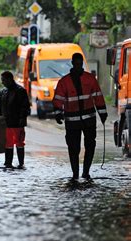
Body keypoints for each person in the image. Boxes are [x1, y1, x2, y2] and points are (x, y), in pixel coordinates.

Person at [53, 53, 107, 181]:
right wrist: (58, 113)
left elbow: (98, 96)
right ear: (72, 63)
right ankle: (75, 173)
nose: (78, 66)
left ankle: (85, 172)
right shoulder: (64, 82)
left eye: (80, 63)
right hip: (72, 121)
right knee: (73, 148)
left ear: (82, 63)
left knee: (90, 146)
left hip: (88, 120)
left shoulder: (90, 79)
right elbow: (57, 99)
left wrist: (102, 112)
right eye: (76, 63)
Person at [0, 71, 30, 169]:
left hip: (17, 123)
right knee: (8, 144)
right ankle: (8, 163)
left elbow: (25, 107)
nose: (2, 82)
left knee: (19, 143)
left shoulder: (20, 91)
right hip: (6, 123)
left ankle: (21, 163)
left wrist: (21, 119)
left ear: (9, 79)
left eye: (3, 80)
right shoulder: (3, 92)